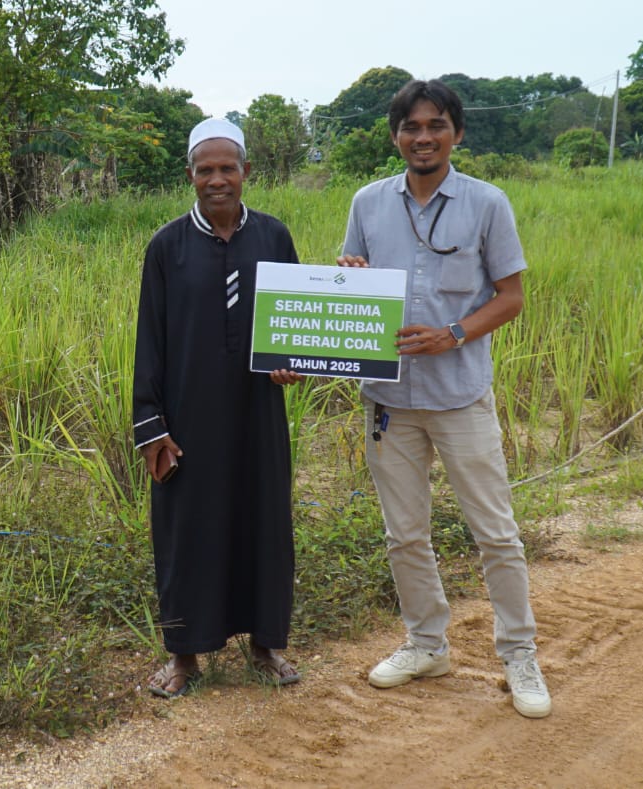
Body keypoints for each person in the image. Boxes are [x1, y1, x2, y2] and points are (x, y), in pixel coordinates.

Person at [337, 79, 551, 718]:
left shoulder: (487, 204)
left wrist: (452, 334)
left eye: (435, 125)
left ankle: (520, 655)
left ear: (457, 132)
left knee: (495, 533)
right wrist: (347, 278)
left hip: (459, 396)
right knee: (405, 535)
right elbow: (350, 281)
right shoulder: (368, 203)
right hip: (388, 398)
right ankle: (426, 643)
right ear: (395, 135)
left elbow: (510, 297)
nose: (422, 137)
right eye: (411, 126)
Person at [133, 117, 304, 698]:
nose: (216, 179)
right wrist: (152, 426)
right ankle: (184, 657)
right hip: (189, 415)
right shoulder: (167, 246)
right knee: (185, 531)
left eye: (227, 167)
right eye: (204, 170)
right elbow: (149, 341)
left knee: (264, 521)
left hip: (258, 413)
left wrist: (293, 362)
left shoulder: (275, 238)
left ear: (246, 172)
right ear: (190, 176)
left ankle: (265, 646)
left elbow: (295, 327)